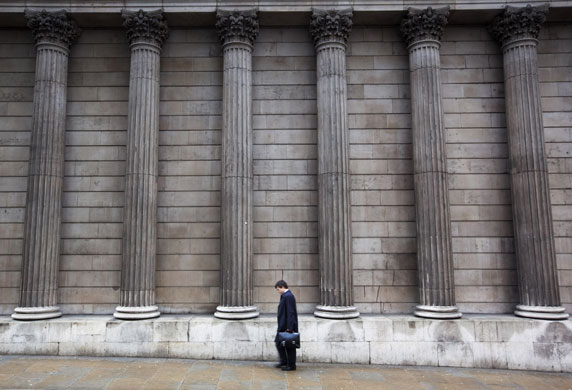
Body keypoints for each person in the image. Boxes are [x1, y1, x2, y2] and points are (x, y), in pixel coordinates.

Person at [274, 280, 298, 371]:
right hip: (283, 325)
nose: (278, 291)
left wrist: (290, 328)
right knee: (279, 343)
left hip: (287, 327)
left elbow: (291, 312)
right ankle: (284, 361)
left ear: (283, 286)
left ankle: (291, 365)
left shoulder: (288, 296)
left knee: (290, 346)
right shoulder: (285, 296)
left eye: (278, 289)